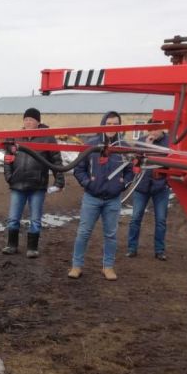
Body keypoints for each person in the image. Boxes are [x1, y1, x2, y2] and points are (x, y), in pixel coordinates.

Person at [68, 111, 132, 281]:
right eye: (108, 124)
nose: (111, 128)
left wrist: (122, 184)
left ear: (120, 126)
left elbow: (131, 171)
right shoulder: (92, 145)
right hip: (92, 197)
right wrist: (88, 183)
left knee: (111, 234)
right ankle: (76, 266)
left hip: (113, 199)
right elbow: (79, 169)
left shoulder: (124, 147)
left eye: (115, 124)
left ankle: (108, 267)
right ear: (103, 124)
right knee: (83, 232)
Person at [2, 107, 65, 258]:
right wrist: (9, 176)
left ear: (38, 122)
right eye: (26, 120)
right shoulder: (16, 137)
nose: (28, 122)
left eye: (31, 120)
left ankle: (32, 248)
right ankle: (12, 245)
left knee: (35, 219)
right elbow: (7, 159)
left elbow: (56, 160)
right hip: (17, 184)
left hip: (37, 185)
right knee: (13, 218)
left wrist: (59, 180)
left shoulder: (48, 138)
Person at [127, 120, 170, 261]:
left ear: (162, 128)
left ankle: (159, 251)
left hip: (160, 187)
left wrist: (167, 182)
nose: (152, 133)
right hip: (142, 186)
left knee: (161, 220)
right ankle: (132, 248)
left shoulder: (170, 141)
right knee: (135, 218)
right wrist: (147, 146)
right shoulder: (142, 141)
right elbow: (135, 162)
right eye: (150, 129)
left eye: (155, 129)